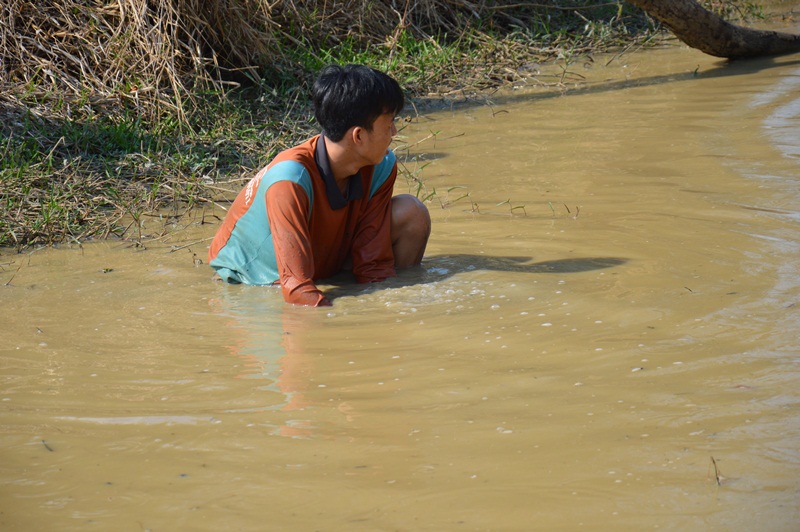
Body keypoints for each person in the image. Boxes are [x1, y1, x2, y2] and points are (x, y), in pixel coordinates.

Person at [208, 64, 431, 307]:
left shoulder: (381, 165)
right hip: (261, 278)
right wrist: (339, 326)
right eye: (389, 125)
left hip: (322, 256)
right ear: (358, 136)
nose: (394, 132)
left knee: (413, 213)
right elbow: (297, 290)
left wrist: (389, 306)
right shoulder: (289, 180)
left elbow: (374, 264)